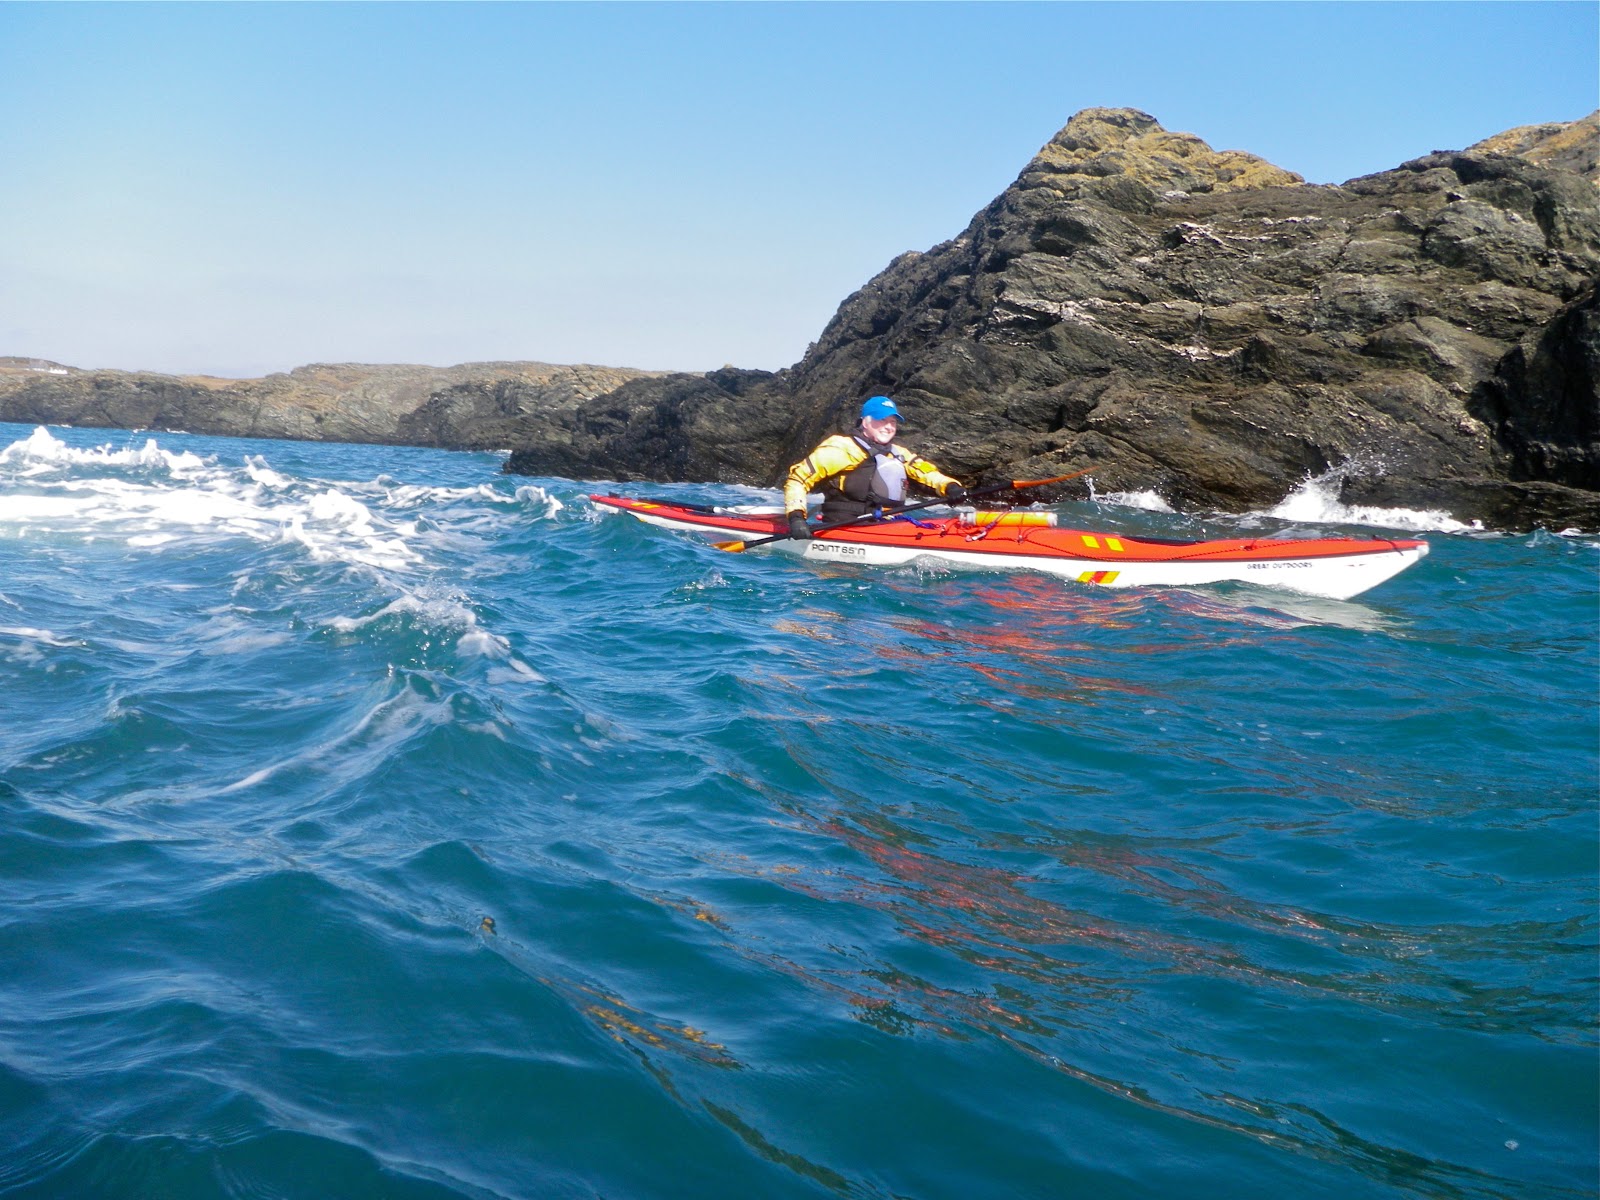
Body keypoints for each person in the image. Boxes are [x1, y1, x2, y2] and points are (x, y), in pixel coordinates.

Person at [783, 396, 967, 538]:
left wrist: (951, 487)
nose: (888, 427)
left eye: (893, 422)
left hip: (886, 525)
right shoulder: (842, 448)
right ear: (866, 422)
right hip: (842, 526)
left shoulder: (898, 453)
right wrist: (797, 518)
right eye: (882, 420)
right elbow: (798, 479)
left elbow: (927, 474)